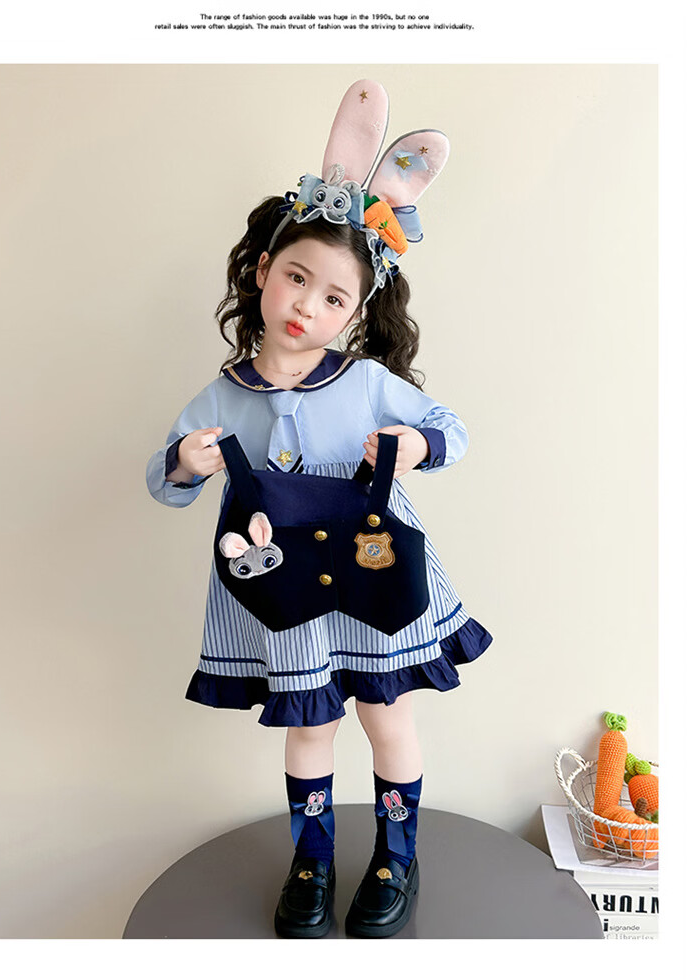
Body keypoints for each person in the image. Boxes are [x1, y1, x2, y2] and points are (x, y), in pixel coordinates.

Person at [146, 79, 492, 939]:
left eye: (333, 298)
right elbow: (164, 480)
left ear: (355, 312)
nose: (307, 306)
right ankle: (311, 860)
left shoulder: (367, 381)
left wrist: (415, 446)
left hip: (375, 576)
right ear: (264, 272)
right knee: (309, 727)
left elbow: (452, 429)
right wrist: (184, 464)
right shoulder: (222, 395)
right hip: (283, 590)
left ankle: (397, 855)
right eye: (297, 278)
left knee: (387, 715)